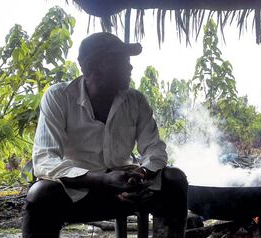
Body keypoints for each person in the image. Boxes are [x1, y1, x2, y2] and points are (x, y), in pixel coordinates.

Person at [22, 32, 188, 238]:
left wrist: (142, 174)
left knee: (174, 179)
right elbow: (45, 160)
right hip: (80, 191)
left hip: (127, 189)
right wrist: (101, 179)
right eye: (122, 60)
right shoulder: (59, 97)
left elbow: (155, 149)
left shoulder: (135, 100)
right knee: (41, 194)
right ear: (96, 65)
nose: (130, 67)